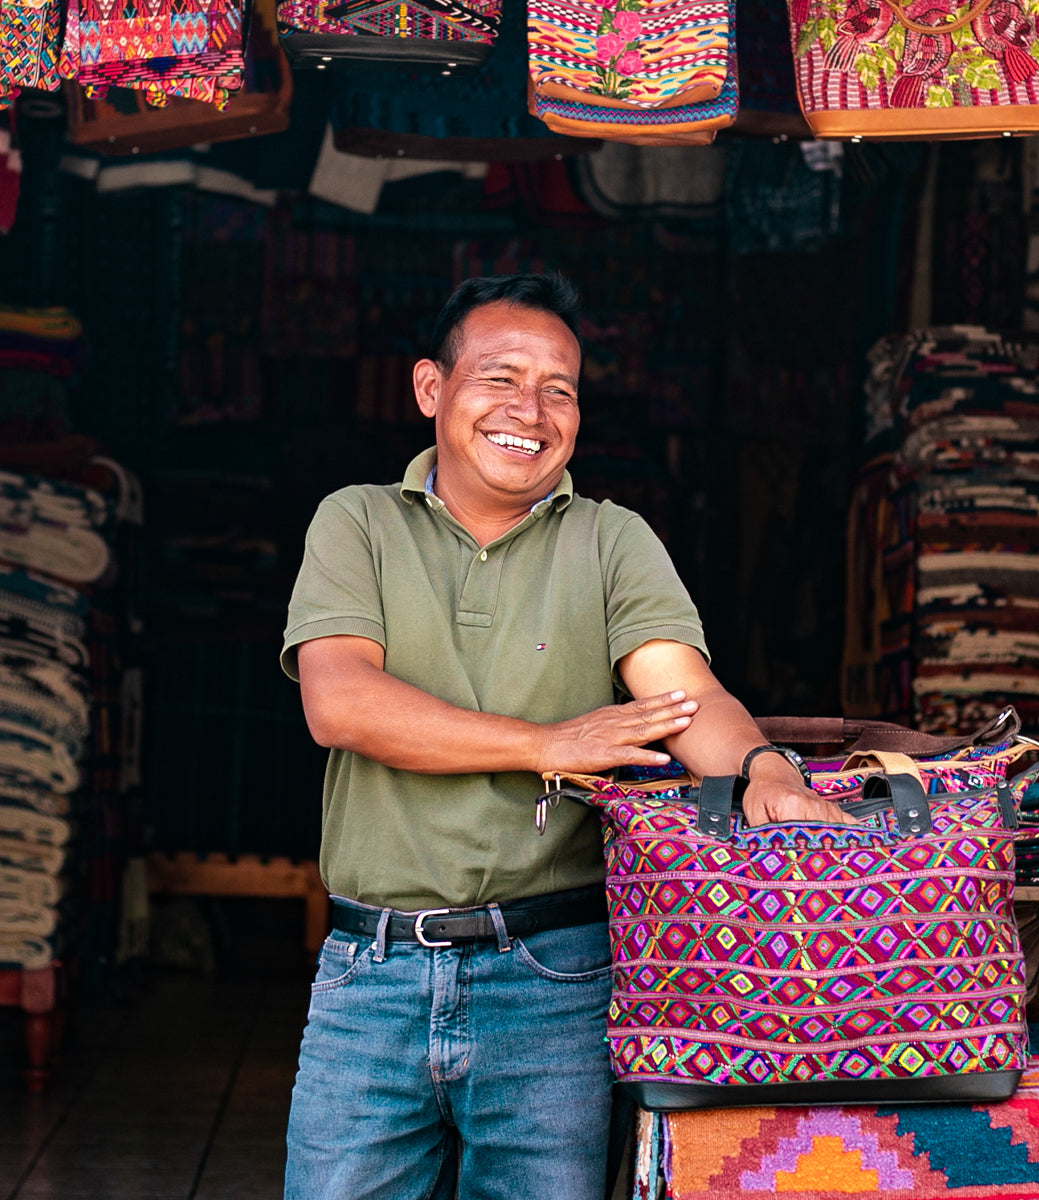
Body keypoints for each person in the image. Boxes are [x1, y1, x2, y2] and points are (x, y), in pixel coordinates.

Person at [280, 273, 849, 1200]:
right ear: (432, 389)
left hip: (554, 976)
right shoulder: (360, 521)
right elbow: (340, 703)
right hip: (370, 973)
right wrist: (551, 742)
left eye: (559, 390)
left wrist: (765, 773)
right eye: (498, 378)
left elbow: (682, 689)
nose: (529, 412)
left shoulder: (610, 539)